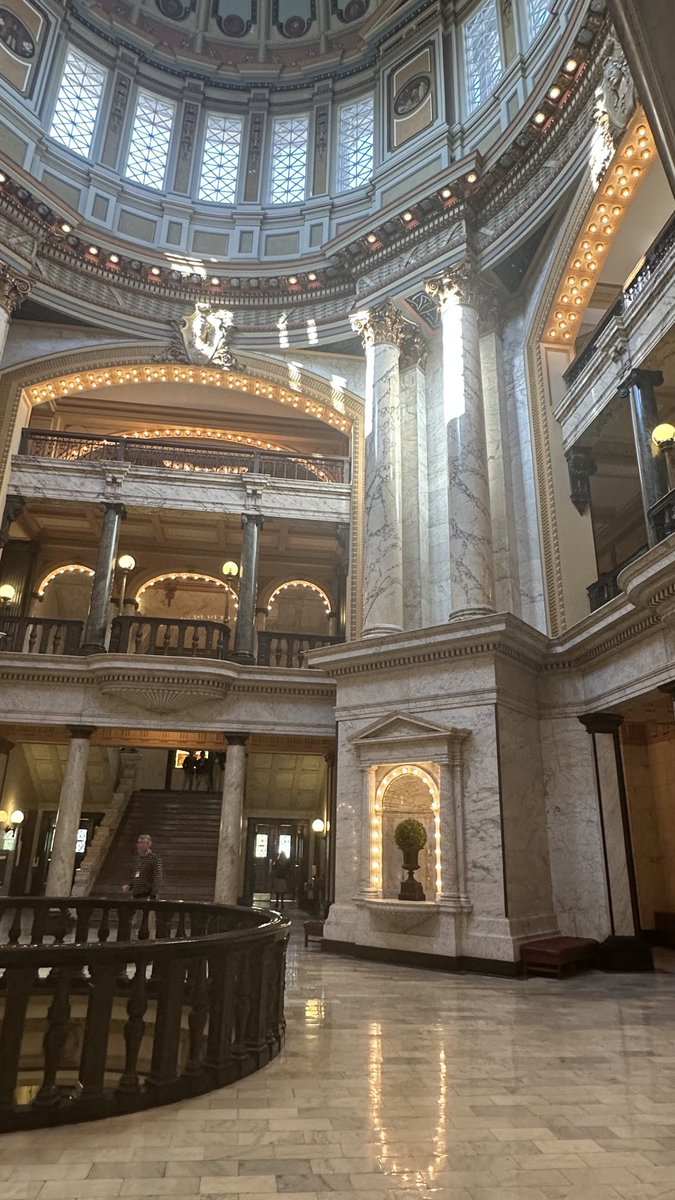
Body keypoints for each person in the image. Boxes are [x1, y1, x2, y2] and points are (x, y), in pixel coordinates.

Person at [123, 834, 163, 900]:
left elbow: (157, 876)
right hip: (136, 894)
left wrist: (154, 895)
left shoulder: (154, 858)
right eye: (138, 843)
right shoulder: (139, 859)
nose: (139, 845)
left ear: (148, 844)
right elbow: (138, 875)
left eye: (142, 843)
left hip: (147, 894)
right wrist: (130, 886)